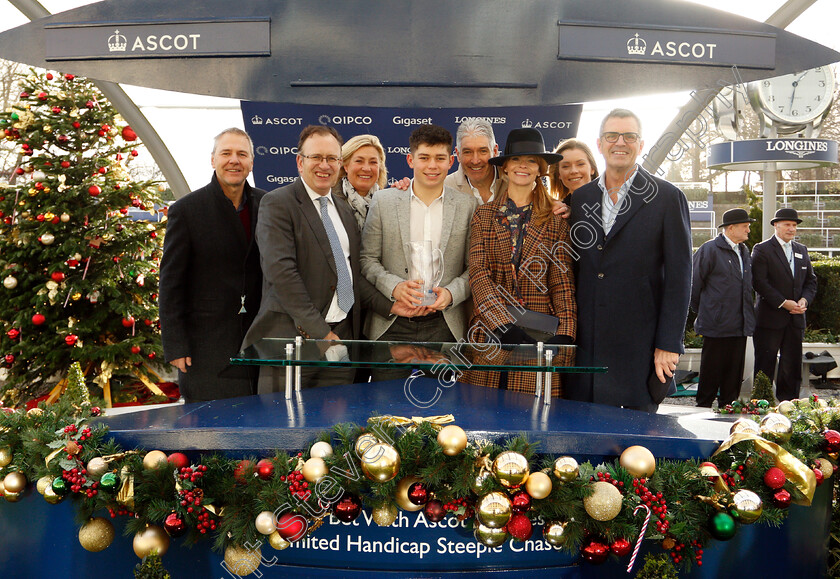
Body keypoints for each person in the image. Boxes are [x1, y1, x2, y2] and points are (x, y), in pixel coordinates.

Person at [242, 125, 411, 392]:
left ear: (339, 164)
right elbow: (282, 275)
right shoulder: (278, 203)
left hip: (341, 344)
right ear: (300, 161)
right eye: (316, 158)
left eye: (332, 158)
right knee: (286, 430)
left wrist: (390, 306)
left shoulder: (343, 210)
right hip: (294, 345)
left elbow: (350, 276)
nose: (325, 165)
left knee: (336, 432)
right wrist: (322, 334)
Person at [567, 108, 692, 412]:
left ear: (641, 143)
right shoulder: (580, 199)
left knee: (632, 449)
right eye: (612, 135)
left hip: (639, 350)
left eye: (629, 136)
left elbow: (680, 277)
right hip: (585, 349)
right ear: (599, 143)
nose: (619, 142)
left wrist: (668, 344)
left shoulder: (667, 197)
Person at [462, 128, 576, 396]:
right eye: (516, 159)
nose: (523, 165)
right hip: (491, 334)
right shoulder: (484, 215)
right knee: (482, 418)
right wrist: (503, 325)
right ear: (504, 168)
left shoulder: (555, 219)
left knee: (531, 427)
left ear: (540, 169)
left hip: (539, 338)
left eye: (532, 161)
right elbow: (478, 274)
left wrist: (567, 335)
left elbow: (562, 283)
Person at [159, 127, 264, 403]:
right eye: (226, 153)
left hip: (259, 343)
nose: (234, 160)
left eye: (242, 154)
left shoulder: (269, 204)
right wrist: (176, 345)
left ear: (252, 162)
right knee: (213, 432)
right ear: (213, 160)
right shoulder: (187, 210)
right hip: (205, 348)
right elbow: (171, 283)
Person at [361, 124, 476, 369]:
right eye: (424, 158)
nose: (432, 166)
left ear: (451, 161)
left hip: (444, 324)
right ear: (410, 160)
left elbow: (475, 268)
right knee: (385, 404)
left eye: (440, 158)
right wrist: (394, 287)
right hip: (392, 320)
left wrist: (452, 294)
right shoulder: (383, 201)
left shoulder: (468, 206)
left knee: (440, 406)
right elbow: (367, 259)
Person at [690, 208, 756, 408]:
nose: (748, 231)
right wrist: (706, 312)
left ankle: (729, 409)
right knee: (711, 371)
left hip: (739, 325)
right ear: (731, 228)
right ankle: (702, 409)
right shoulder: (709, 249)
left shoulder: (744, 251)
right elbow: (694, 284)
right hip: (716, 325)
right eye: (745, 226)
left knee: (733, 374)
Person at [752, 207, 817, 401]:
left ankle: (788, 405)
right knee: (765, 364)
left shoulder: (801, 250)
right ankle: (761, 404)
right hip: (770, 319)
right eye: (787, 224)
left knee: (792, 365)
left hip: (796, 319)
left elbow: (811, 281)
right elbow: (759, 283)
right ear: (776, 225)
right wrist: (783, 303)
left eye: (794, 225)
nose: (791, 229)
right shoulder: (762, 249)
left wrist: (804, 300)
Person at [444, 117, 506, 205]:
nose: (475, 161)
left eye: (483, 151)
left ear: (495, 151)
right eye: (468, 152)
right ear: (458, 154)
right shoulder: (445, 188)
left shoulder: (513, 183)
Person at [332, 134, 388, 230]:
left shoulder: (388, 204)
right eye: (359, 161)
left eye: (373, 162)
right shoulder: (328, 201)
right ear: (345, 165)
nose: (366, 168)